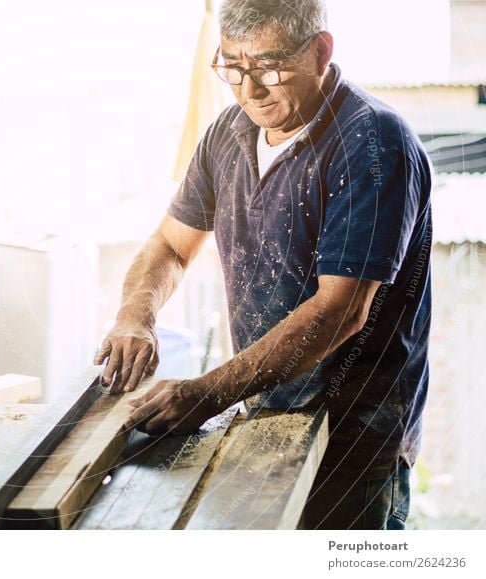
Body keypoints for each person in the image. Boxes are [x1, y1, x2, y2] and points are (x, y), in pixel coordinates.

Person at [95, 0, 432, 530]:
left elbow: (339, 311)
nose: (249, 92)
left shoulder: (373, 143)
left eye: (270, 68)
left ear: (321, 52)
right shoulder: (227, 133)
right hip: (262, 412)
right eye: (233, 68)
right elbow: (169, 245)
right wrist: (135, 315)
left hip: (352, 437)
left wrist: (207, 393)